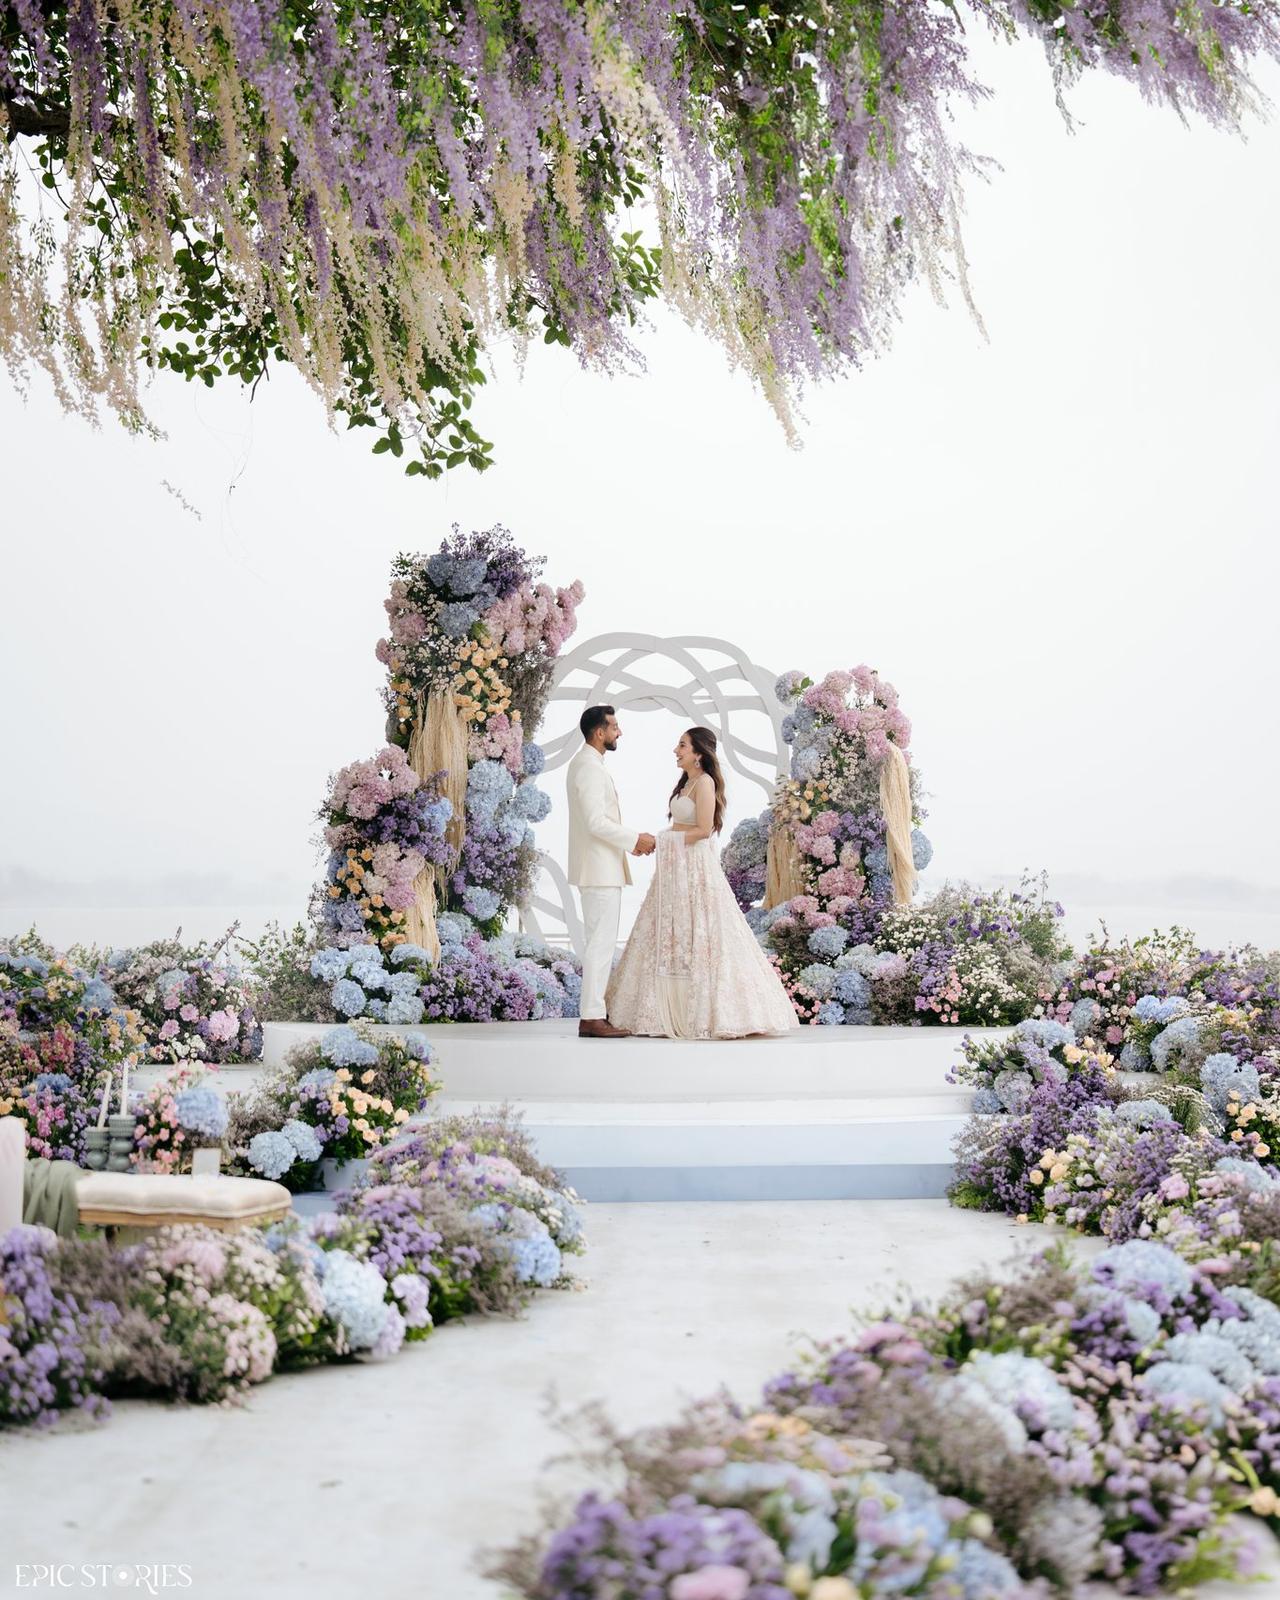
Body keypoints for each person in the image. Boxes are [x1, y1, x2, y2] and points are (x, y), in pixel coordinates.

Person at [605, 726, 799, 1039]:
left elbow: (705, 830)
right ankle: (659, 1008)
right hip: (676, 866)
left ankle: (709, 1011)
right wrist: (667, 840)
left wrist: (665, 839)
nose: (675, 750)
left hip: (694, 867)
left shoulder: (705, 782)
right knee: (666, 930)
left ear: (698, 753)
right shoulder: (687, 782)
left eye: (682, 745)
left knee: (702, 931)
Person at [566, 705, 656, 1038]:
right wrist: (635, 839)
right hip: (599, 870)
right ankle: (591, 1017)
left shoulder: (589, 764)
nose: (620, 732)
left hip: (599, 867)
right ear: (599, 732)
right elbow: (595, 822)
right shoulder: (589, 767)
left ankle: (594, 1014)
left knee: (599, 943)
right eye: (615, 727)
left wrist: (629, 844)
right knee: (600, 946)